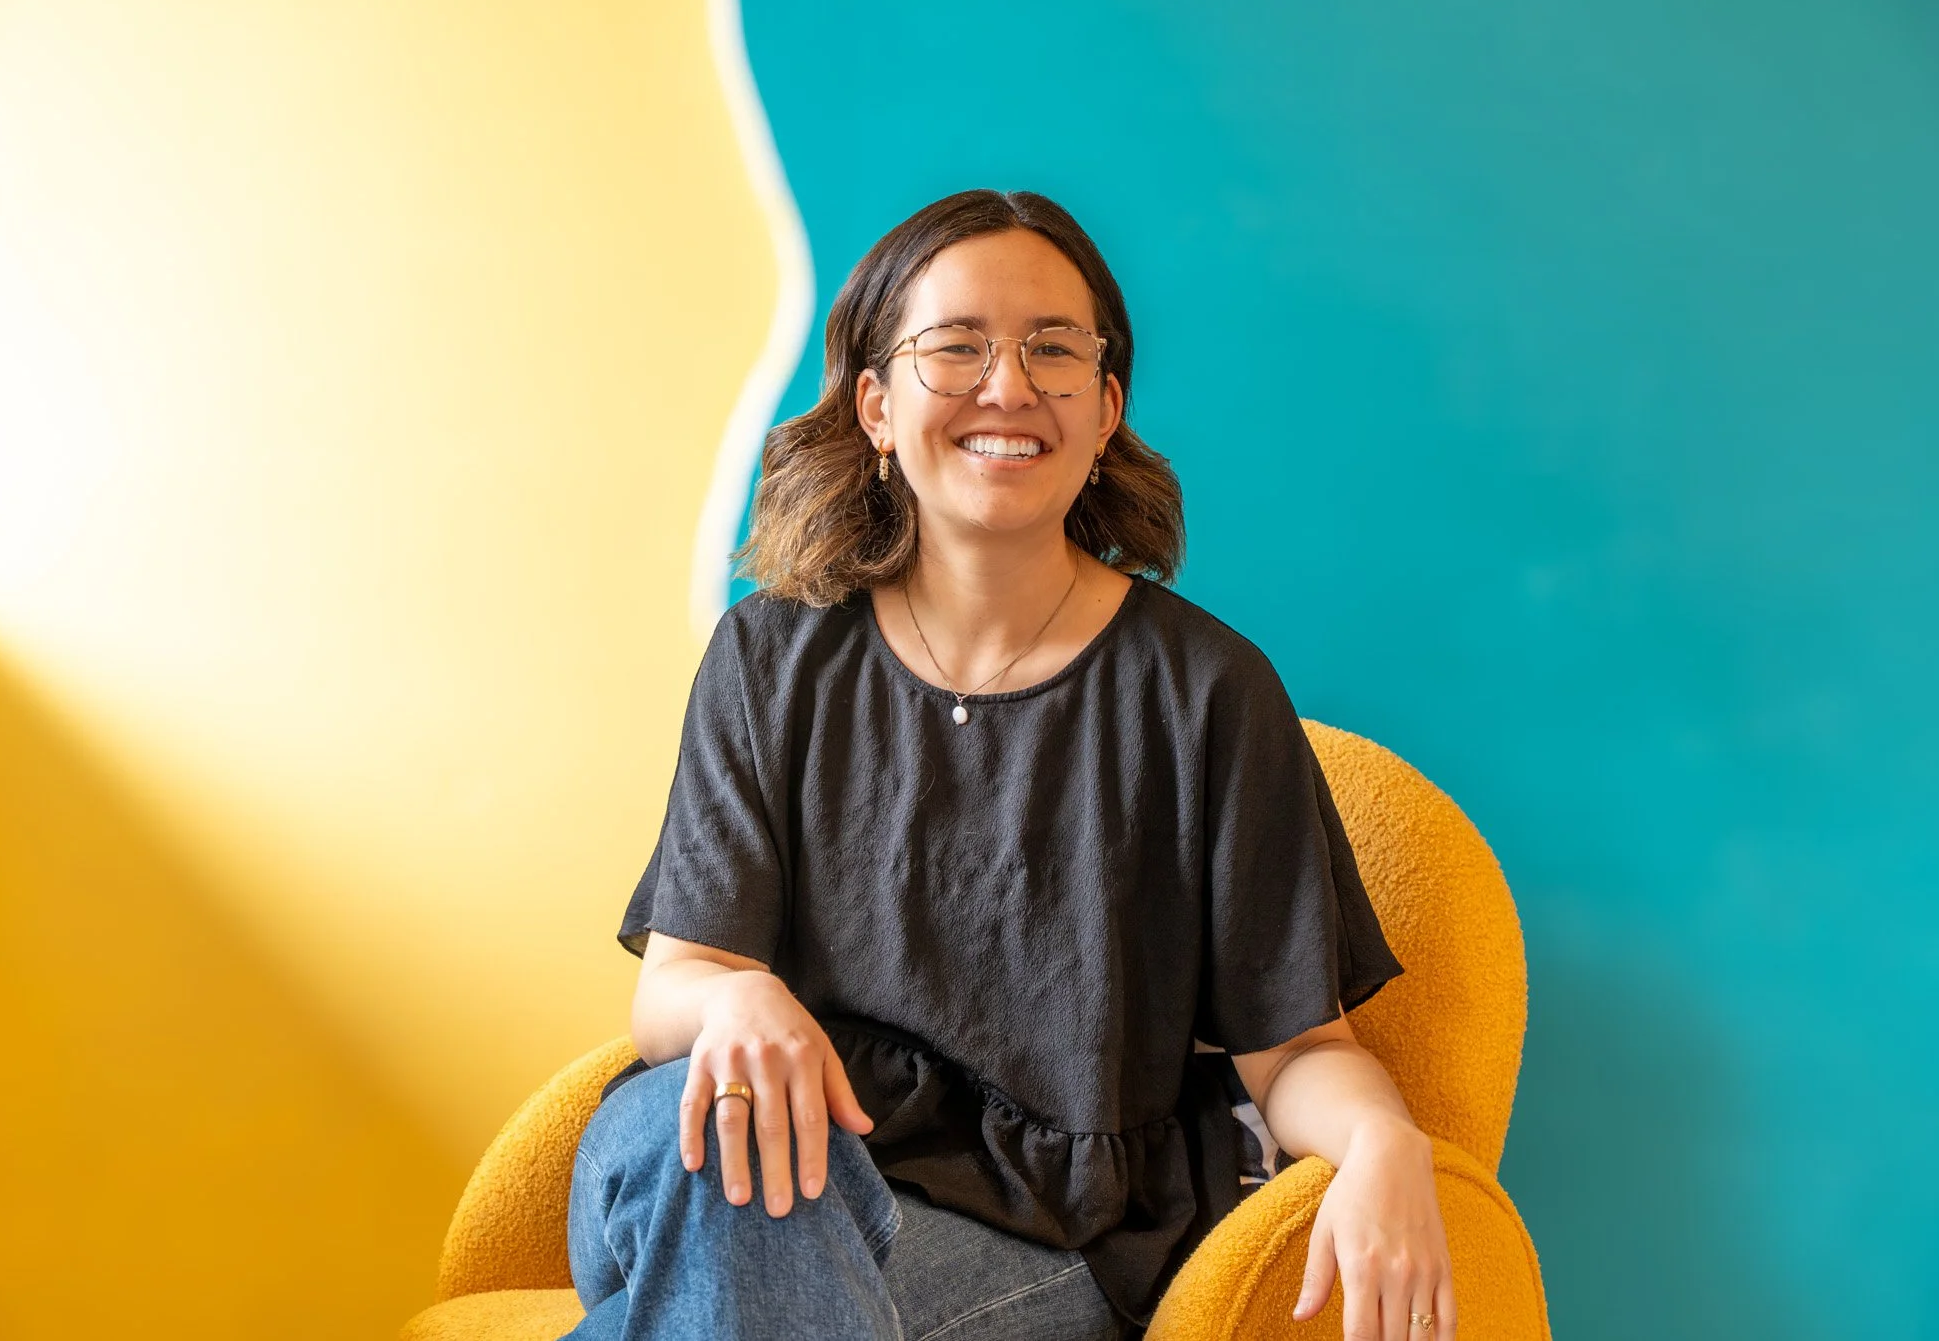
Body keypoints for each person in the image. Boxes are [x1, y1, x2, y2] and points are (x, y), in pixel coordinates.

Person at [562, 189, 1457, 1341]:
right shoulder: (768, 656)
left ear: (1105, 408)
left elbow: (1294, 1052)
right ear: (876, 407)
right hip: (722, 1153)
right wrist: (734, 994)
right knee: (733, 1161)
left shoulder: (1207, 694)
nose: (1008, 386)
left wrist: (1381, 1139)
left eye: (1053, 350)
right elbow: (675, 984)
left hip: (1032, 1230)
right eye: (956, 347)